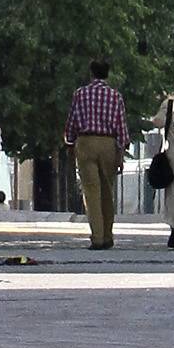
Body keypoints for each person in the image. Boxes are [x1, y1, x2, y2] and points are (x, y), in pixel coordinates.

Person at [62, 58, 129, 251]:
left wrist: (70, 141)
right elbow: (121, 126)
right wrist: (120, 152)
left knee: (91, 192)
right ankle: (108, 235)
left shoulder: (80, 94)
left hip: (85, 142)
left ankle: (97, 237)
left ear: (91, 73)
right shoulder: (115, 96)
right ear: (107, 74)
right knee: (107, 191)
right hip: (108, 143)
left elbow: (72, 122)